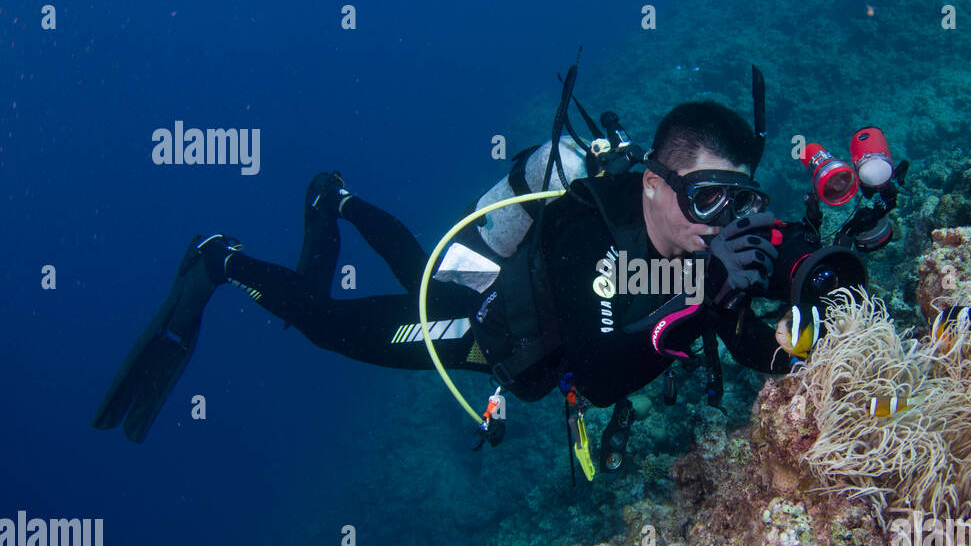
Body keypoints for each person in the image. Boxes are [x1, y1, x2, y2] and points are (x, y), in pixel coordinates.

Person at [93, 100, 806, 473]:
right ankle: (222, 260)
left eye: (739, 201)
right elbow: (595, 374)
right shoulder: (591, 234)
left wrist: (791, 329)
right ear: (654, 184)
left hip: (489, 276)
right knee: (330, 325)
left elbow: (722, 314)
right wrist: (707, 299)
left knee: (423, 267)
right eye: (709, 197)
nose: (723, 222)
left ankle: (335, 198)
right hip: (480, 330)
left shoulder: (685, 237)